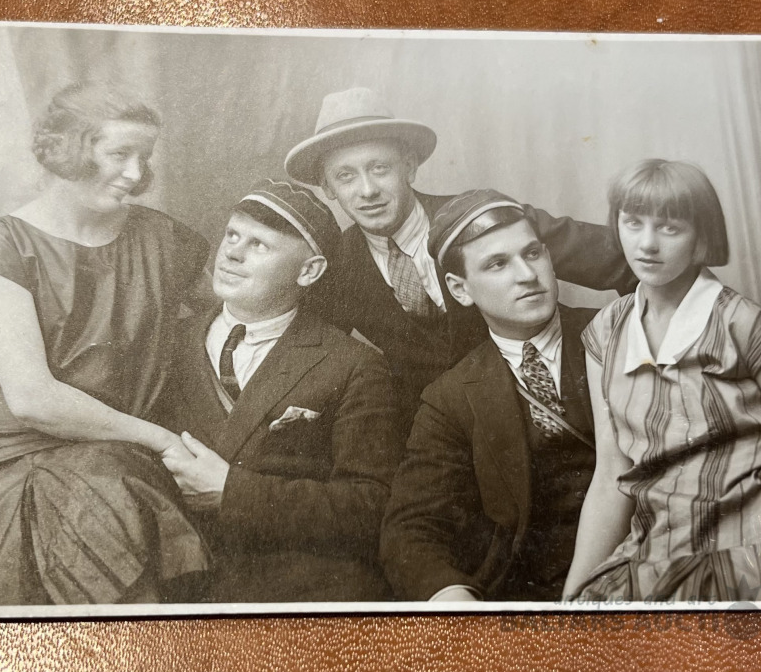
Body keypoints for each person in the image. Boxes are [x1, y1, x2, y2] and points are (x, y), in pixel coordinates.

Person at [0, 83, 210, 606]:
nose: (136, 173)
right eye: (120, 154)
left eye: (144, 157)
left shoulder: (164, 240)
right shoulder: (3, 246)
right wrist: (163, 440)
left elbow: (236, 314)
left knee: (110, 515)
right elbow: (33, 399)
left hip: (103, 447)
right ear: (69, 149)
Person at [562, 159, 761, 603]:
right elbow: (611, 477)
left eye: (669, 228)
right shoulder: (604, 334)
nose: (647, 244)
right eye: (633, 222)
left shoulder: (743, 324)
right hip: (662, 546)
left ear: (702, 237)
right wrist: (570, 598)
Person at [286, 88, 635, 414]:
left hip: (558, 406)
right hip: (439, 428)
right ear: (328, 189)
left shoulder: (484, 217)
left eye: (380, 168)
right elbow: (311, 353)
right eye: (345, 176)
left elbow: (629, 261)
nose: (367, 191)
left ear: (409, 167)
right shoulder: (337, 266)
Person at [159, 179, 403, 602]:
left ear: (309, 271)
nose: (231, 253)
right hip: (182, 581)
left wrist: (234, 493)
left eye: (259, 245)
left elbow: (371, 505)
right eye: (232, 235)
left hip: (301, 587)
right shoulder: (168, 342)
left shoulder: (354, 364)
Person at [380, 189, 599, 601]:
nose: (527, 274)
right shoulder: (449, 399)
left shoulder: (615, 332)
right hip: (534, 598)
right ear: (460, 290)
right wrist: (451, 595)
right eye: (498, 264)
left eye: (532, 253)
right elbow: (410, 528)